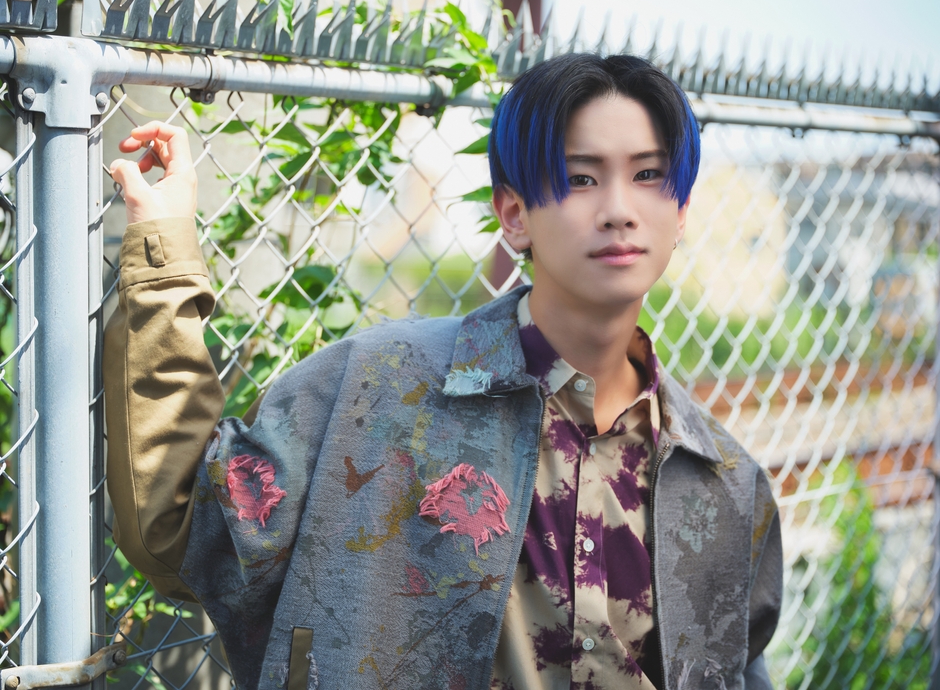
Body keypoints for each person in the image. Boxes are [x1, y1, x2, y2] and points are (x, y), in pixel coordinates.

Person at [105, 53, 782, 690]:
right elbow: (184, 531)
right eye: (581, 177)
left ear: (681, 212)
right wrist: (164, 251)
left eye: (648, 175)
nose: (619, 209)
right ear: (514, 214)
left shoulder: (725, 483)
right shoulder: (378, 388)